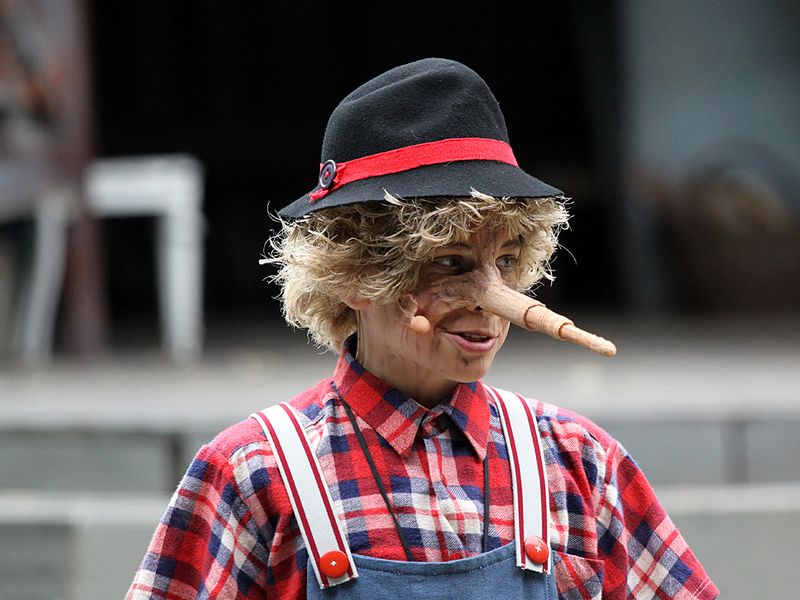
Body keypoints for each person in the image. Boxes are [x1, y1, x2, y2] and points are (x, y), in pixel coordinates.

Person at [126, 58, 718, 599]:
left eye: (507, 261)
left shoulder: (580, 463)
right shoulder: (253, 473)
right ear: (355, 274)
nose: (494, 302)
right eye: (451, 263)